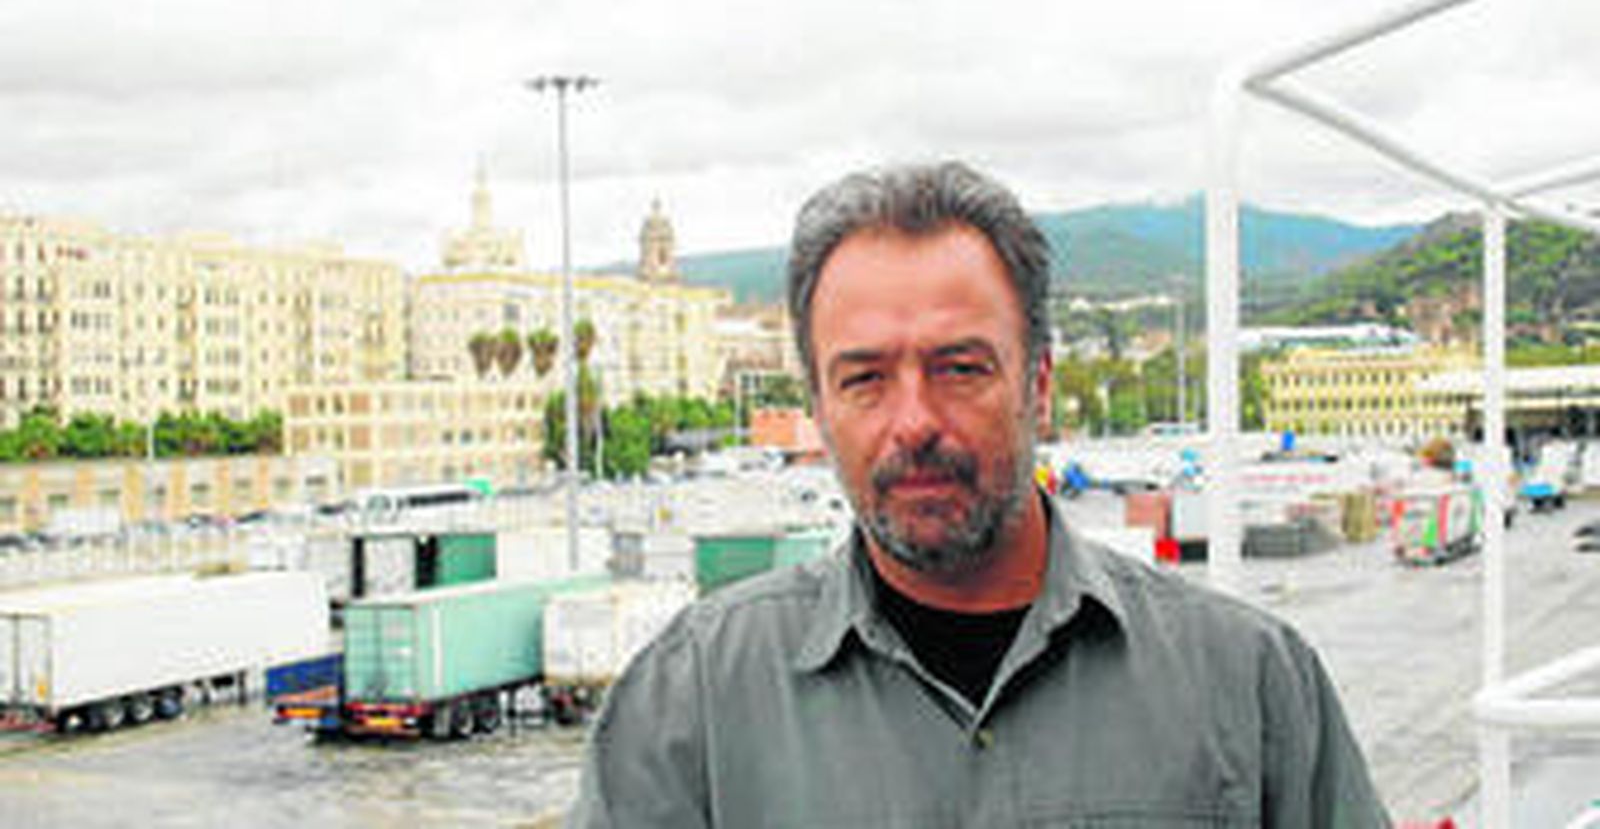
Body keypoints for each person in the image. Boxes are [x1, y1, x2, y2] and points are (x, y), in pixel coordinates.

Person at [568, 161, 1390, 827]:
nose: (915, 421)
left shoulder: (1248, 683)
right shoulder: (691, 706)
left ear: (1037, 384)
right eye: (864, 379)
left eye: (960, 368)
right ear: (817, 407)